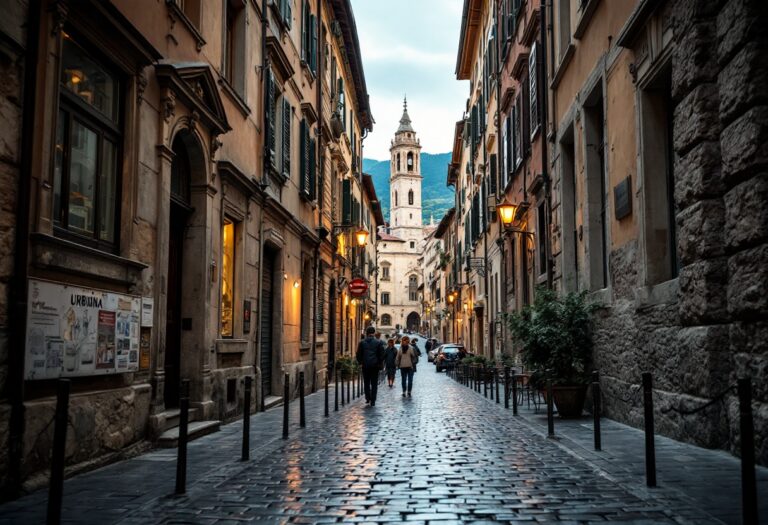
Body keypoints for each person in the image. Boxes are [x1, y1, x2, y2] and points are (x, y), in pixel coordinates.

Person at [356, 326, 385, 406]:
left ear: (367, 333)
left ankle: (368, 397)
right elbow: (382, 355)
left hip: (365, 366)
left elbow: (358, 355)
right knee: (374, 383)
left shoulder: (362, 342)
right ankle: (373, 400)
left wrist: (361, 362)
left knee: (366, 382)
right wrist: (379, 363)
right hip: (375, 366)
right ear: (374, 333)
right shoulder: (379, 342)